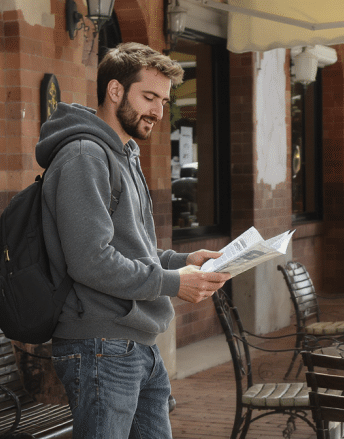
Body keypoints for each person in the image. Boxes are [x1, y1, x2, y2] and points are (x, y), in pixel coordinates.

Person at [36, 42, 231, 438]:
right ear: (115, 91)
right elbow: (91, 260)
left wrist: (183, 260)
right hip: (100, 344)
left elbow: (134, 249)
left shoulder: (124, 154)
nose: (159, 112)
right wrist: (175, 284)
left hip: (137, 343)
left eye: (163, 100)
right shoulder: (84, 156)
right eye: (149, 97)